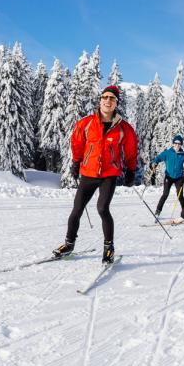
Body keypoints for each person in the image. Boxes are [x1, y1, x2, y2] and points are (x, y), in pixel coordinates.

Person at [53, 85, 138, 264]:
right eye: (105, 97)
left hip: (109, 174)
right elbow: (77, 143)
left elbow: (130, 151)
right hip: (89, 173)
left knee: (102, 209)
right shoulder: (86, 123)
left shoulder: (124, 128)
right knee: (76, 210)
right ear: (100, 100)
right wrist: (76, 162)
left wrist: (131, 170)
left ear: (116, 103)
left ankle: (109, 248)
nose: (108, 101)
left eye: (112, 98)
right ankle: (69, 244)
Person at [150, 134, 184, 216]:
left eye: (179, 144)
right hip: (168, 177)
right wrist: (155, 162)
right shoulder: (167, 153)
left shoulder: (183, 154)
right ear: (173, 144)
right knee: (165, 194)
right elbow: (158, 158)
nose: (177, 145)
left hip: (179, 177)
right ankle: (157, 212)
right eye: (175, 143)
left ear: (181, 144)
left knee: (180, 195)